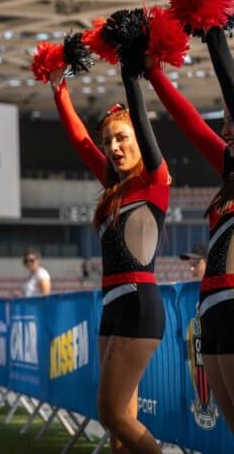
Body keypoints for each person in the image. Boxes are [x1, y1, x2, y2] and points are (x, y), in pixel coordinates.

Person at [48, 64, 167, 453]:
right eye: (109, 142)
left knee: (110, 413)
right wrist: (58, 89)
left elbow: (143, 136)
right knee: (119, 433)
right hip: (112, 306)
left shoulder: (154, 182)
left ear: (141, 139)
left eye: (122, 138)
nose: (113, 148)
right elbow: (82, 140)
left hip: (137, 304)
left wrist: (131, 74)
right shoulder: (114, 189)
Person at [146, 25, 234, 433]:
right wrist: (152, 73)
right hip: (211, 309)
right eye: (226, 121)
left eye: (233, 120)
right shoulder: (227, 173)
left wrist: (214, 33)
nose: (226, 129)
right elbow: (190, 123)